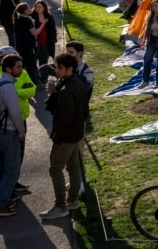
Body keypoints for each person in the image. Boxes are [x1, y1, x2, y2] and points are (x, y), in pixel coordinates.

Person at [41, 53, 91, 219]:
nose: (57, 70)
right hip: (77, 134)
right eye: (56, 67)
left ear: (70, 69)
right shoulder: (77, 83)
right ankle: (73, 201)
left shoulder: (67, 90)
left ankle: (60, 205)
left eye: (60, 68)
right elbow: (85, 112)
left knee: (55, 169)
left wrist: (57, 139)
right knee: (73, 167)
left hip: (66, 138)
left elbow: (64, 121)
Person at [0, 54, 26, 216]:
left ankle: (0, 198)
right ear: (9, 69)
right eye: (18, 66)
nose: (21, 69)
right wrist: (21, 132)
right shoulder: (9, 87)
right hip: (8, 132)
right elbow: (15, 114)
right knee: (12, 170)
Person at [12, 3, 42, 85]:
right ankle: (31, 82)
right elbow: (35, 33)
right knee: (28, 65)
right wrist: (42, 25)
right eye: (29, 8)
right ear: (25, 11)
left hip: (20, 46)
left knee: (27, 64)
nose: (30, 9)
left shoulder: (18, 19)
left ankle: (31, 82)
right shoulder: (27, 20)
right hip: (27, 46)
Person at [33, 0, 58, 71]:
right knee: (33, 61)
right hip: (36, 43)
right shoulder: (33, 17)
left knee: (43, 62)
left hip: (46, 43)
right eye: (36, 7)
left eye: (40, 7)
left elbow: (53, 29)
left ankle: (44, 78)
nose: (38, 8)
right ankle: (35, 78)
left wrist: (54, 38)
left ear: (44, 8)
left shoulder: (49, 17)